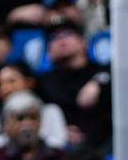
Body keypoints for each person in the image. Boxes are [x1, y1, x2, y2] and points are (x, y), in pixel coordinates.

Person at [0, 61, 68, 160]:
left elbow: (57, 148)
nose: (5, 88)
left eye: (11, 81)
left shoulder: (50, 110)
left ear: (30, 82)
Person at [38, 15, 112, 151]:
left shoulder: (104, 70)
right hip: (61, 148)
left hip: (106, 141)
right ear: (48, 52)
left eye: (67, 34)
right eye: (53, 37)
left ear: (83, 42)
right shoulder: (42, 82)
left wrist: (98, 82)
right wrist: (57, 129)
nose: (61, 39)